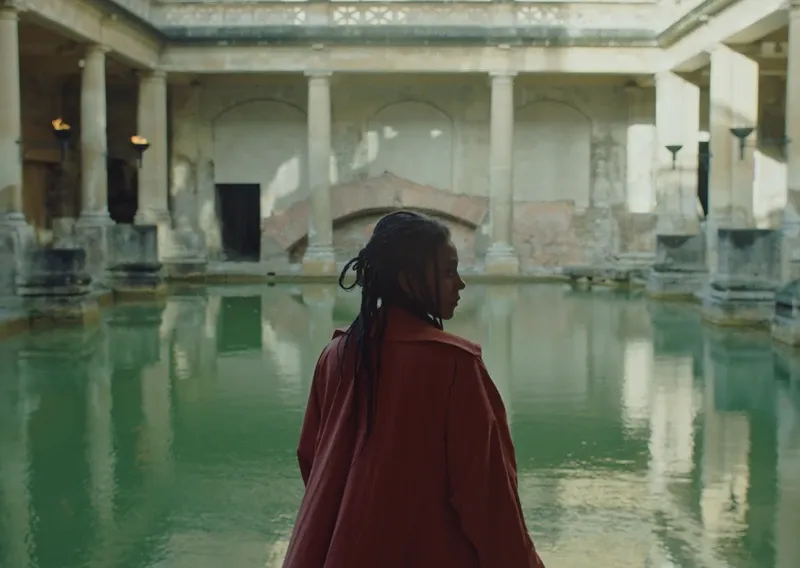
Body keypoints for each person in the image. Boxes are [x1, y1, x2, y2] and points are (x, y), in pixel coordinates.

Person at [282, 210, 545, 568]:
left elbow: (311, 460)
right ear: (408, 280)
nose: (460, 284)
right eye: (449, 271)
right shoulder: (454, 365)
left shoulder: (336, 354)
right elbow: (488, 499)